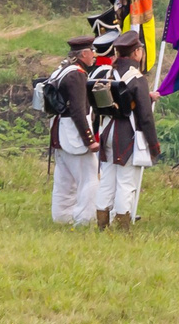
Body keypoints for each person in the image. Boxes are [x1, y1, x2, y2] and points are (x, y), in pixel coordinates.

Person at [92, 29, 160, 229]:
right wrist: (154, 144)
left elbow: (123, 100)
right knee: (126, 183)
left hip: (108, 131)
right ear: (137, 52)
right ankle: (123, 229)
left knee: (108, 180)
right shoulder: (137, 77)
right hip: (126, 134)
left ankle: (102, 225)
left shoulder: (109, 73)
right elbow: (145, 117)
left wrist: (146, 97)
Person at [43, 31, 104, 226]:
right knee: (89, 178)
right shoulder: (77, 75)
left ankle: (61, 217)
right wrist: (89, 140)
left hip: (60, 131)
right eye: (92, 51)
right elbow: (78, 111)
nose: (94, 55)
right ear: (83, 54)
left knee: (64, 180)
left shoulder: (60, 71)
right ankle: (84, 219)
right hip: (72, 134)